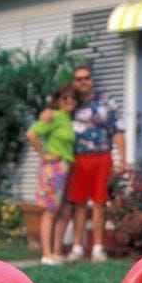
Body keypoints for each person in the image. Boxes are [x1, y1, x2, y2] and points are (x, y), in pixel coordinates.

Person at [65, 65, 126, 262]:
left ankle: (98, 248)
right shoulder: (69, 104)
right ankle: (77, 247)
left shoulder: (106, 102)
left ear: (92, 80)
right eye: (78, 79)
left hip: (102, 156)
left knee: (100, 202)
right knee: (79, 204)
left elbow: (117, 131)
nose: (83, 82)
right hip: (78, 159)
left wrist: (122, 158)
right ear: (74, 82)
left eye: (86, 78)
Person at [25, 83, 78, 265]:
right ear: (58, 101)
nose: (70, 101)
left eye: (73, 98)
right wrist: (43, 155)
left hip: (65, 169)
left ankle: (56, 252)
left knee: (64, 211)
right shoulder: (53, 116)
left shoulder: (68, 118)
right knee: (50, 211)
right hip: (53, 169)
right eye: (65, 98)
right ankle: (46, 254)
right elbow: (31, 133)